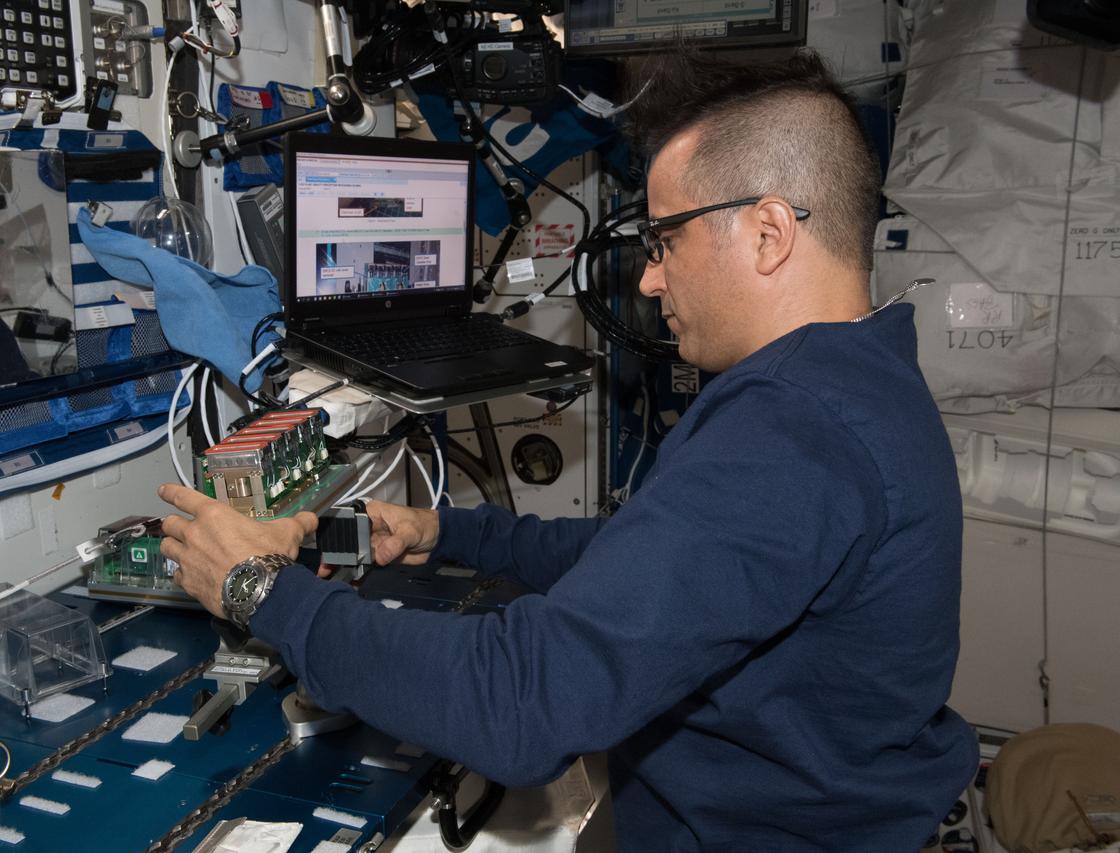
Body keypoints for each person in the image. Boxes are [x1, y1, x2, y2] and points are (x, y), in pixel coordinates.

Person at [158, 50, 978, 850]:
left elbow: (523, 703)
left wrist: (258, 589)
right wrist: (447, 531)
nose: (652, 280)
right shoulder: (859, 379)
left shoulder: (795, 425)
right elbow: (656, 552)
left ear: (767, 233)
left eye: (664, 240)